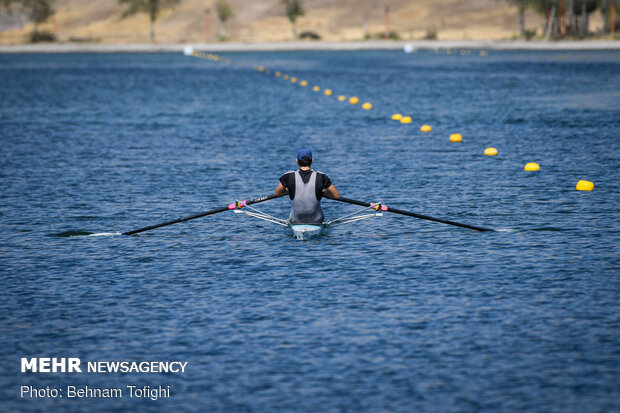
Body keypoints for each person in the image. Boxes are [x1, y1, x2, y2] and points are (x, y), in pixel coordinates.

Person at [275, 148, 340, 224]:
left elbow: (278, 193)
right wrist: (322, 193)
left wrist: (292, 191)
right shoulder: (321, 176)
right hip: (316, 221)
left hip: (296, 220)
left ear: (297, 161)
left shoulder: (288, 176)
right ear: (312, 160)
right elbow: (336, 196)